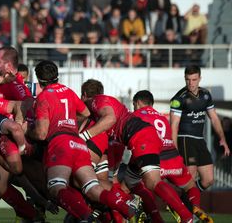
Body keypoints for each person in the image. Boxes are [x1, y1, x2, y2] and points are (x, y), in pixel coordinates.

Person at [28, 60, 141, 222]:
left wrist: (29, 130)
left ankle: (85, 217)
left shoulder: (44, 97)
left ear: (39, 80)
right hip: (78, 143)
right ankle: (127, 208)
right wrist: (70, 122)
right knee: (92, 188)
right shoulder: (68, 91)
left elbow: (41, 133)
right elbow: (86, 112)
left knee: (56, 187)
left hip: (61, 143)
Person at [81, 79, 194, 223]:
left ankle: (186, 217)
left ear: (84, 95)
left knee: (152, 182)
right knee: (126, 186)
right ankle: (150, 216)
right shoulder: (102, 108)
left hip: (140, 137)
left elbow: (110, 119)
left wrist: (82, 137)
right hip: (142, 138)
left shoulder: (96, 101)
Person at [133, 90, 213, 223]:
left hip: (156, 159)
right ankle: (195, 209)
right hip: (174, 158)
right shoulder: (162, 117)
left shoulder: (136, 115)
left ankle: (154, 216)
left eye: (134, 104)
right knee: (191, 186)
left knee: (142, 186)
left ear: (138, 102)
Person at [170, 65, 230, 192]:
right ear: (184, 79)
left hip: (199, 140)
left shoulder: (206, 95)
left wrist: (223, 139)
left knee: (208, 180)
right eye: (188, 80)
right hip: (185, 140)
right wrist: (174, 149)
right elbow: (174, 126)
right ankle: (186, 207)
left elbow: (214, 118)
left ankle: (181, 198)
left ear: (200, 78)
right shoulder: (179, 98)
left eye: (194, 79)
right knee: (190, 177)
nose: (191, 83)